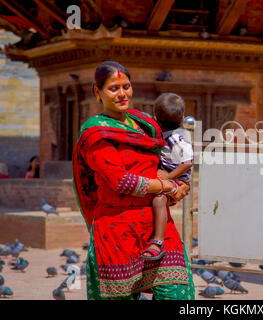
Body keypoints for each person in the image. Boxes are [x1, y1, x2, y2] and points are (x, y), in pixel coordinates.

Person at [72, 61, 195, 300]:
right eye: (113, 88)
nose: (122, 94)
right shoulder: (96, 133)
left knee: (178, 292)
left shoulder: (145, 123)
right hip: (117, 229)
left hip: (157, 225)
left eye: (126, 86)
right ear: (97, 92)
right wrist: (168, 186)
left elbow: (166, 161)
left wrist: (182, 185)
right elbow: (122, 181)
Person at [141, 93, 193, 261]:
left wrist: (168, 178)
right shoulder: (160, 134)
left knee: (159, 199)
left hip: (178, 179)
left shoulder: (177, 138)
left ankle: (158, 241)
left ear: (156, 117)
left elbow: (188, 162)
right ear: (183, 117)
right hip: (165, 174)